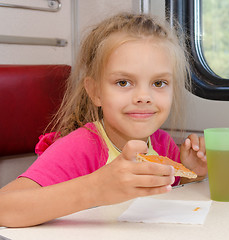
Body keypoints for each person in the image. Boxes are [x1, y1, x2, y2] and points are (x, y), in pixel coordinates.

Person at [0, 13, 207, 227]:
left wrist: (192, 173)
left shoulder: (163, 145)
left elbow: (166, 190)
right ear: (95, 91)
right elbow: (3, 208)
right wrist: (95, 188)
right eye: (123, 82)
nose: (144, 97)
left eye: (159, 83)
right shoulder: (80, 148)